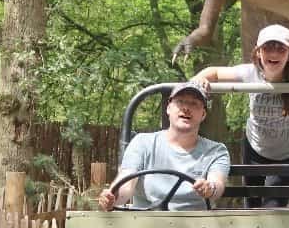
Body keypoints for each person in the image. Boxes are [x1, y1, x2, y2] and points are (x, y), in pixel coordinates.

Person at [192, 24, 289, 208]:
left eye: (280, 48)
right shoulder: (250, 72)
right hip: (255, 148)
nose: (274, 54)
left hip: (288, 152)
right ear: (258, 52)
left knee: (274, 208)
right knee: (252, 206)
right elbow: (215, 72)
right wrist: (200, 77)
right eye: (268, 47)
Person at [97, 81, 230, 211]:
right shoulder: (142, 143)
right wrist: (111, 198)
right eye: (180, 102)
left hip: (197, 226)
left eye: (194, 104)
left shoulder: (216, 151)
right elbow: (127, 183)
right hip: (147, 226)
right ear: (169, 108)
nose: (186, 108)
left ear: (203, 114)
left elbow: (217, 185)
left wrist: (209, 189)